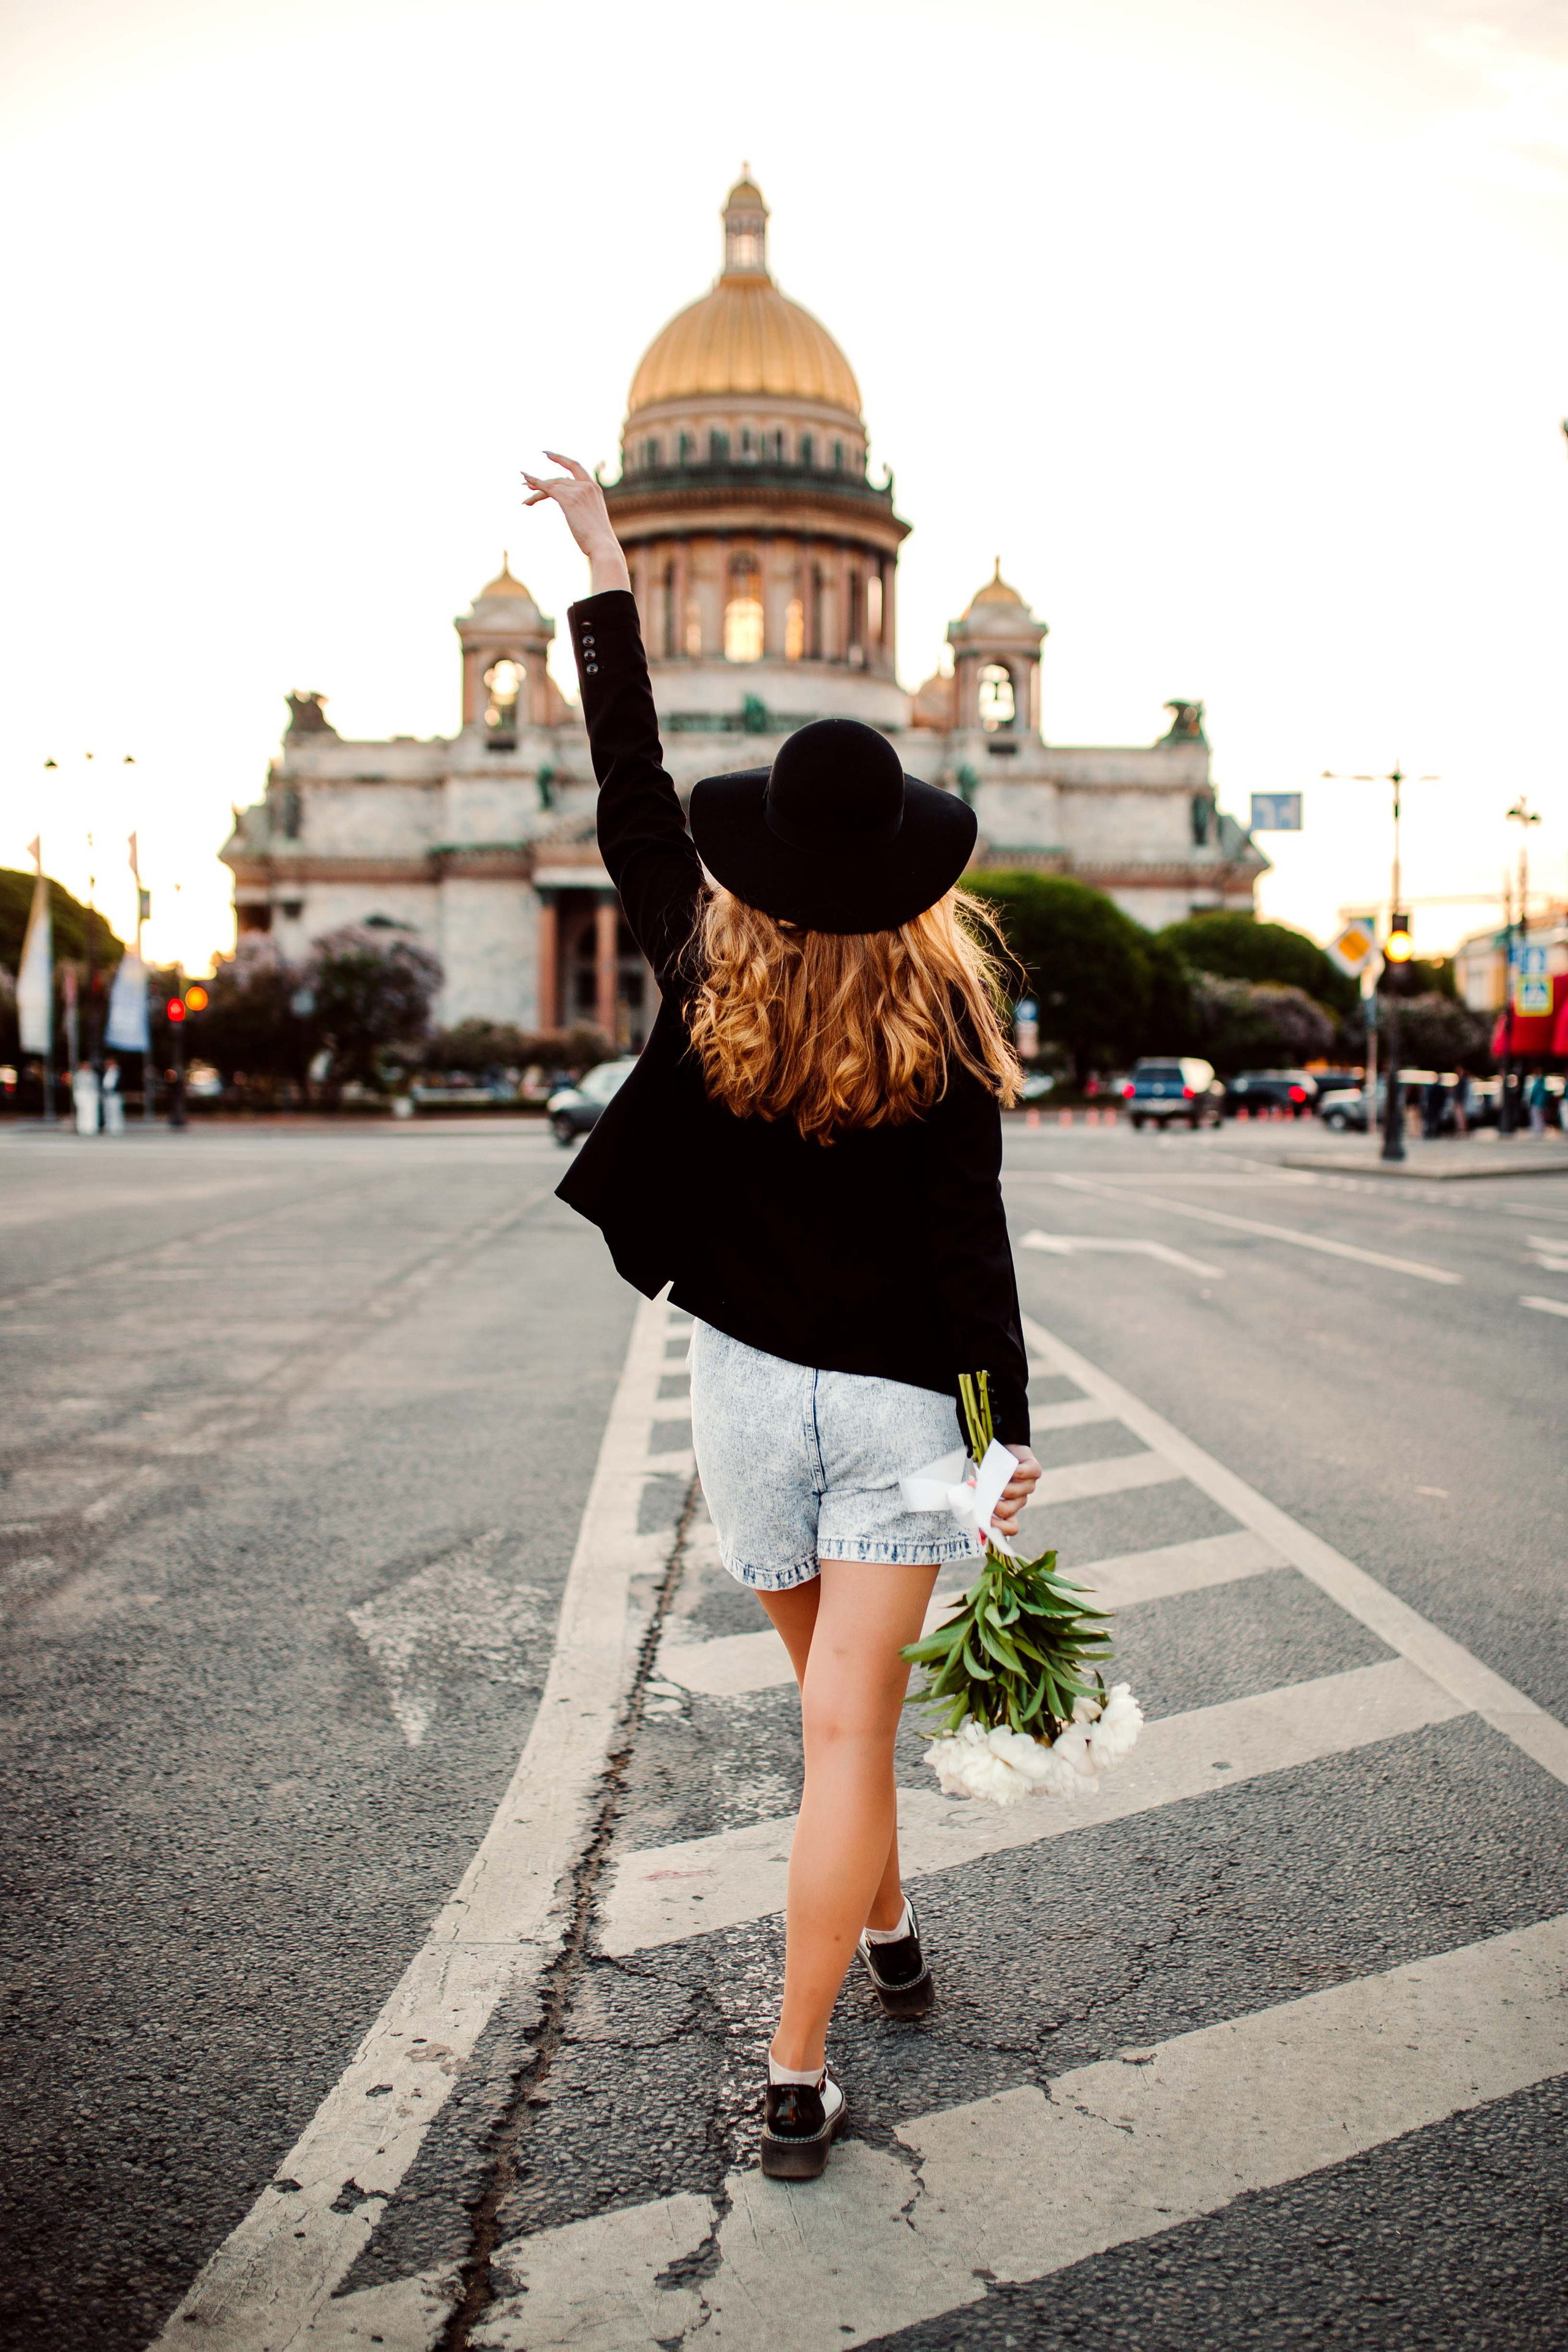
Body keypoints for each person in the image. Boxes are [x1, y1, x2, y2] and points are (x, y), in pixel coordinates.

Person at [525, 454, 1041, 2183]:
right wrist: (1000, 1437)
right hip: (905, 1413)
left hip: (746, 1393)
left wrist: (605, 568)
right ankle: (802, 2062)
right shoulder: (952, 1016)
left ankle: (863, 1961)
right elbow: (973, 1252)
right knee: (850, 1737)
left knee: (830, 1723)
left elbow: (627, 792)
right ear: (907, 862)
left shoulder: (702, 956)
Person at [1526, 1069, 1548, 1138]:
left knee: (1536, 1117)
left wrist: (1530, 1101)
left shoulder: (1537, 1083)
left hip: (1536, 1103)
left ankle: (1538, 1130)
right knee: (1540, 1117)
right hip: (1542, 1103)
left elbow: (1533, 1093)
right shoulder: (1544, 1083)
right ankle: (1540, 1129)